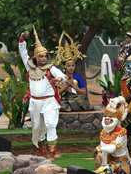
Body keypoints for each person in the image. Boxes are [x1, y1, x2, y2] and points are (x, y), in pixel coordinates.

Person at [19, 28, 67, 160]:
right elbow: (23, 54)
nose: (44, 58)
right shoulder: (30, 67)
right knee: (37, 128)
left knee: (51, 125)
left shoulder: (51, 68)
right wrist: (22, 40)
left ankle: (52, 153)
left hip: (49, 102)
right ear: (36, 57)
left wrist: (59, 79)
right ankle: (41, 150)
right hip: (35, 102)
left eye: (45, 56)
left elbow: (62, 75)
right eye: (41, 56)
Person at [54, 32, 92, 112]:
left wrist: (74, 87)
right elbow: (57, 93)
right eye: (69, 66)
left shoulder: (78, 77)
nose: (71, 68)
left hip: (77, 100)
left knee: (81, 102)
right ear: (65, 66)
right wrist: (66, 86)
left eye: (73, 65)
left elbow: (83, 93)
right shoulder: (61, 76)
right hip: (65, 101)